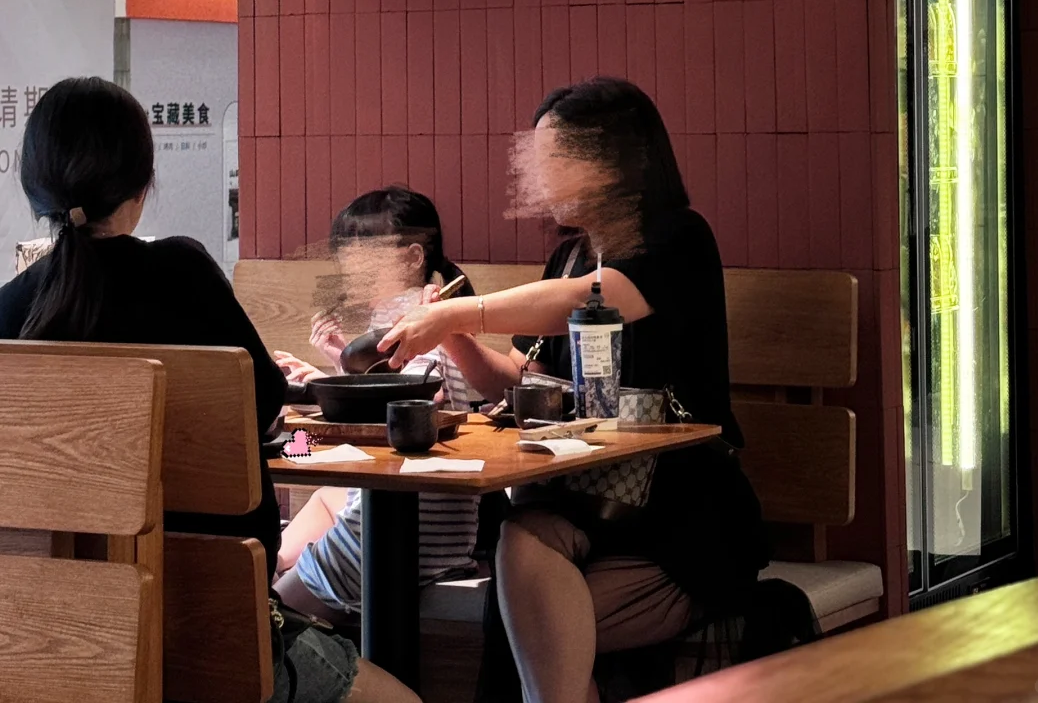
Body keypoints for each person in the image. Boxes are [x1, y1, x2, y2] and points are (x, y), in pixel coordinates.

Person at [0, 77, 419, 703]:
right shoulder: (182, 271)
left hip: (46, 639)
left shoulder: (10, 312)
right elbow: (268, 418)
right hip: (212, 627)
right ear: (142, 185)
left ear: (34, 187)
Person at [379, 78, 769, 703]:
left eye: (556, 157)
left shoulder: (677, 240)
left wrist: (457, 312)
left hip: (680, 518)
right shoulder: (567, 257)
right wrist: (449, 336)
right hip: (584, 503)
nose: (540, 176)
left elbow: (592, 300)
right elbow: (514, 378)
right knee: (521, 552)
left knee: (530, 613)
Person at [273, 188, 480, 619]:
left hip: (408, 531)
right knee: (323, 499)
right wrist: (338, 369)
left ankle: (275, 591)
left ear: (412, 258)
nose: (349, 266)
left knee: (269, 620)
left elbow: (407, 408)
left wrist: (324, 388)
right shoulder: (406, 316)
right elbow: (393, 397)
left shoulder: (419, 321)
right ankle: (273, 570)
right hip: (443, 533)